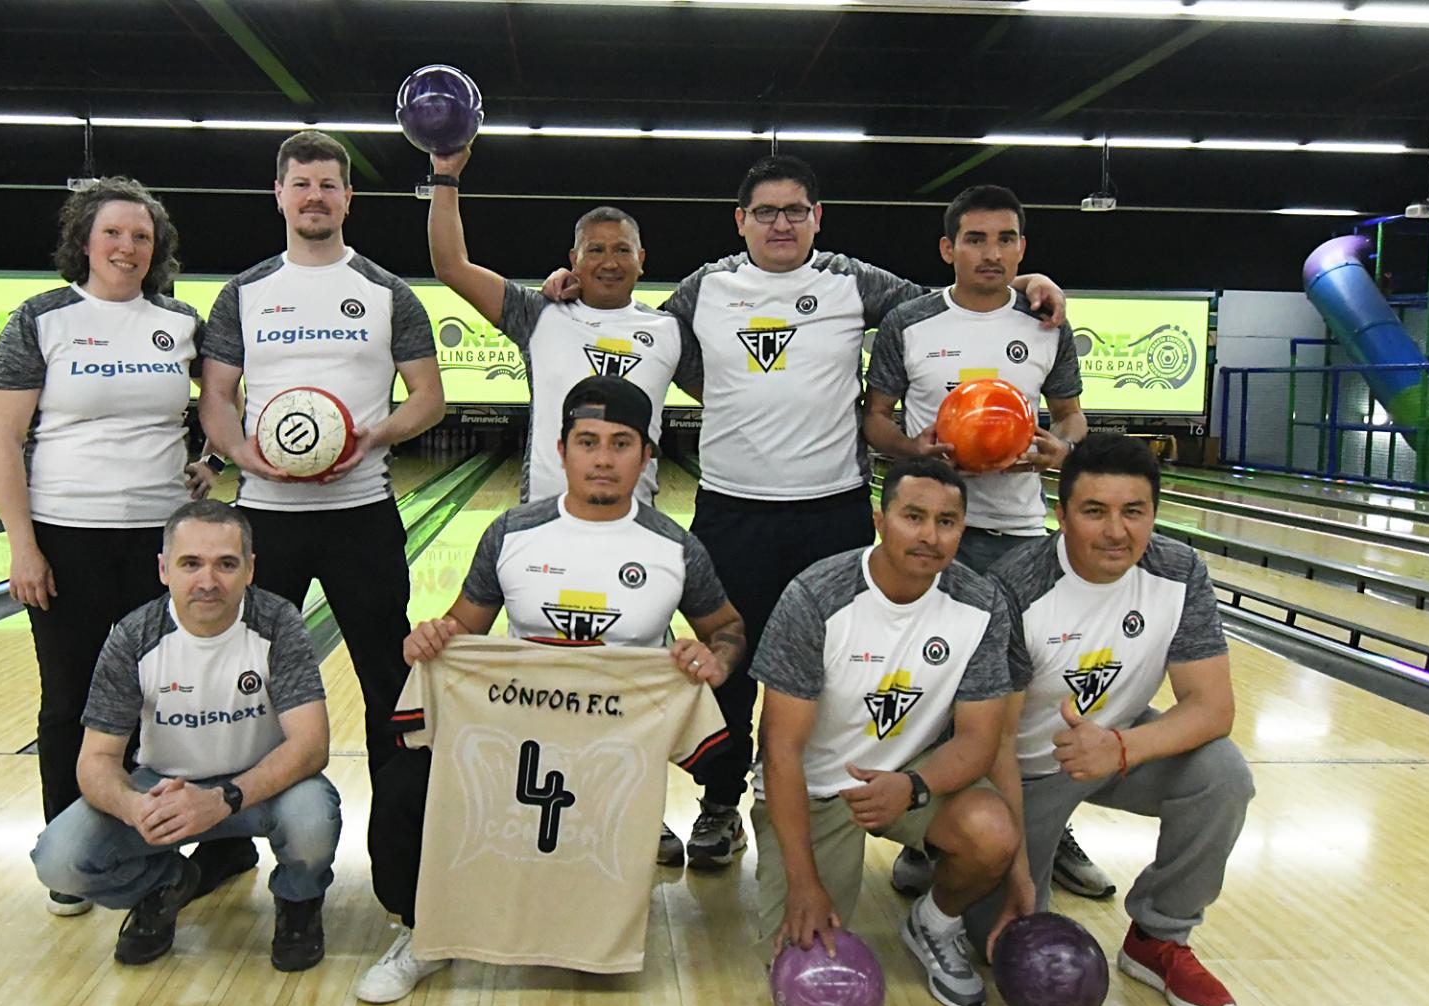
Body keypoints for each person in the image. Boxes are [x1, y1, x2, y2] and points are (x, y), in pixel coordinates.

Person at [551, 155, 1064, 870]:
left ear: (817, 218)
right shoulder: (706, 287)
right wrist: (571, 293)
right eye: (765, 212)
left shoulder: (852, 281)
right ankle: (720, 802)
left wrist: (1029, 285)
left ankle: (877, 803)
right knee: (726, 668)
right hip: (732, 509)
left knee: (847, 673)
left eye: (796, 210)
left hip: (834, 512)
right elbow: (645, 334)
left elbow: (949, 304)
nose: (781, 223)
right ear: (741, 221)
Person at [355, 375, 746, 1004]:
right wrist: (433, 639)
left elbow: (727, 628)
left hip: (610, 747)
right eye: (587, 441)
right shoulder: (512, 534)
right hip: (512, 734)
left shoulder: (675, 548)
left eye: (621, 444)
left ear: (647, 456)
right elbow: (462, 629)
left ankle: (588, 919)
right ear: (560, 450)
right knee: (403, 787)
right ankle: (422, 932)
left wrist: (717, 659)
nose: (602, 457)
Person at [0, 175, 251, 918]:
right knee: (69, 700)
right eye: (113, 233)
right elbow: (2, 439)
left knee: (158, 701)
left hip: (157, 541)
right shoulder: (43, 320)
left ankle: (153, 840)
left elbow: (226, 402)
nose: (128, 247)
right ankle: (70, 859)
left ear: (156, 248)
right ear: (85, 241)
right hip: (65, 534)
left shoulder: (179, 323)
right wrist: (22, 546)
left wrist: (212, 463)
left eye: (141, 236)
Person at [863, 184, 1110, 903]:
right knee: (934, 686)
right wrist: (911, 445)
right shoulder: (908, 322)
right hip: (931, 529)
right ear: (948, 250)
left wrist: (1055, 453)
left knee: (1032, 687)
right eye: (974, 239)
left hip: (1014, 530)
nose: (990, 252)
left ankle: (1049, 822)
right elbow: (874, 418)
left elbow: (1071, 417)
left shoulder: (1044, 323)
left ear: (1021, 250)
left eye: (1004, 239)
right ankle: (936, 828)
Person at [965, 434, 1250, 1006]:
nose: (1116, 531)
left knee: (1223, 774)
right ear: (1061, 514)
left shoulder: (1178, 572)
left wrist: (1120, 746)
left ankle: (1159, 938)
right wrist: (1016, 874)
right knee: (996, 942)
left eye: (1133, 512)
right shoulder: (1016, 588)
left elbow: (1211, 707)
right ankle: (951, 855)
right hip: (1019, 775)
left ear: (1154, 513)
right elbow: (992, 740)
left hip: (1115, 749)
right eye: (1095, 511)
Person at [198, 130, 444, 787]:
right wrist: (242, 452)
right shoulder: (243, 293)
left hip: (361, 512)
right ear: (278, 195)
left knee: (387, 677)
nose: (314, 196)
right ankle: (236, 839)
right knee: (248, 677)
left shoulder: (387, 291)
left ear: (347, 198)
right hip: (264, 519)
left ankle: (398, 848)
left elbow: (429, 398)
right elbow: (217, 398)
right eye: (301, 184)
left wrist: (377, 435)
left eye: (327, 185)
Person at [752, 457, 1017, 1006]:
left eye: (946, 522)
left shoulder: (981, 604)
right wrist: (803, 881)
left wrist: (913, 785)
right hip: (815, 789)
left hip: (910, 777)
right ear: (880, 519)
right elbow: (779, 750)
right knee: (802, 950)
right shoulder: (816, 597)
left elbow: (977, 741)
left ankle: (934, 922)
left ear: (962, 529)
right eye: (913, 517)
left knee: (992, 832)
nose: (929, 535)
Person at [30, 499, 341, 971]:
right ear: (163, 569)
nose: (208, 581)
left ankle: (298, 901)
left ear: (250, 569)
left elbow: (311, 744)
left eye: (226, 564)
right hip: (162, 788)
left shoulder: (277, 623)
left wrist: (224, 798)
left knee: (314, 819)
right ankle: (165, 883)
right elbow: (95, 760)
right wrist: (135, 808)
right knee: (59, 861)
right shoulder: (134, 636)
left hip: (261, 788)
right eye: (191, 563)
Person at [425, 141, 683, 505]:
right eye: (595, 250)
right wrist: (446, 177)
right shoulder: (538, 314)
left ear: (641, 259)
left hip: (635, 526)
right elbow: (451, 266)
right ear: (573, 259)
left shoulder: (670, 330)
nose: (610, 262)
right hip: (542, 522)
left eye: (622, 250)